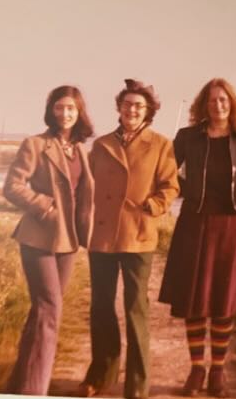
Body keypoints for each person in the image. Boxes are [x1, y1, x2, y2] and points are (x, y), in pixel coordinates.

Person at [158, 78, 236, 397]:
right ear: (203, 105)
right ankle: (197, 369)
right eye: (212, 100)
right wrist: (187, 189)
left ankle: (217, 370)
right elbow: (166, 170)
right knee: (194, 300)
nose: (218, 105)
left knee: (222, 300)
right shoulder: (188, 137)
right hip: (194, 222)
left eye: (223, 100)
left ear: (232, 104)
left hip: (231, 225)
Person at [79, 79, 179, 399]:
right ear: (119, 108)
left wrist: (153, 206)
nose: (132, 110)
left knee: (136, 309)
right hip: (102, 236)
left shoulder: (161, 144)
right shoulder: (101, 144)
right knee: (101, 306)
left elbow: (170, 186)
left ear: (148, 111)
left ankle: (137, 385)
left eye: (138, 106)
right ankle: (100, 375)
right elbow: (86, 186)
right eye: (127, 104)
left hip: (138, 234)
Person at [3, 85, 95, 395]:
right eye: (59, 107)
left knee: (41, 313)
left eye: (70, 108)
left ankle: (20, 384)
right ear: (51, 111)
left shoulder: (80, 149)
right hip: (37, 238)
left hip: (68, 241)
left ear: (79, 112)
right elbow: (12, 186)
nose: (64, 114)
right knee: (50, 310)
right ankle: (35, 390)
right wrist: (44, 205)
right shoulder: (35, 144)